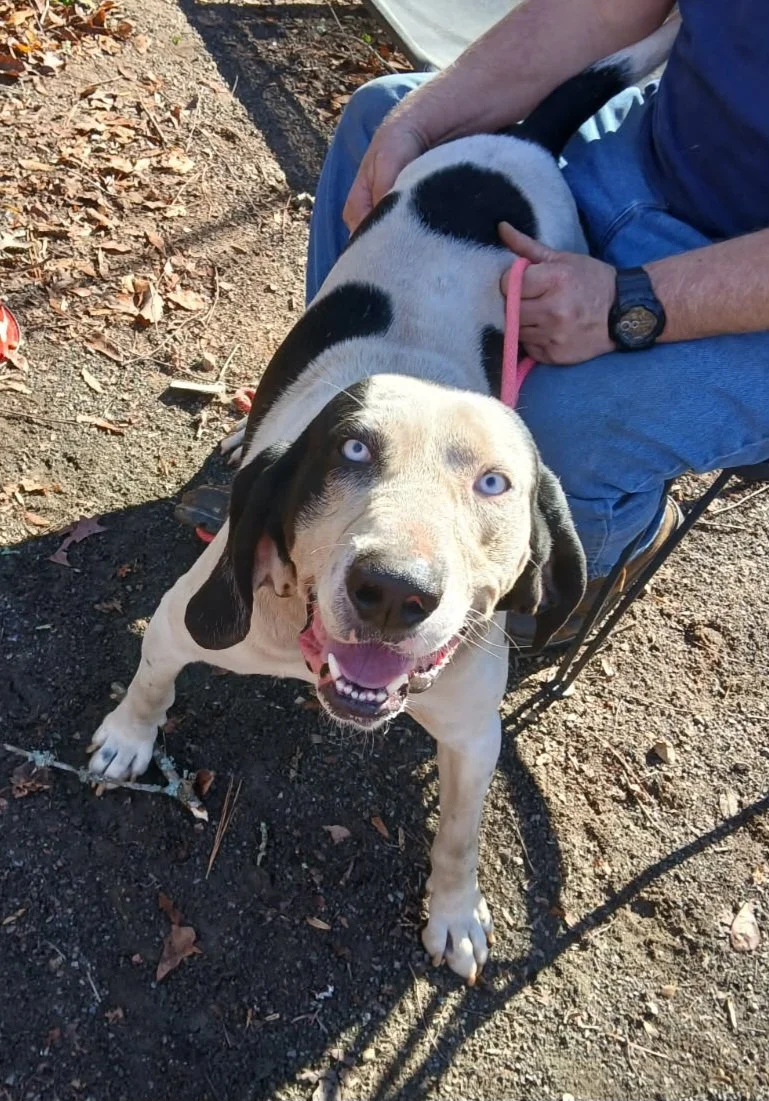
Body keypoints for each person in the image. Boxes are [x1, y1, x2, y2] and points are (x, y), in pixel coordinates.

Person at [306, 0, 769, 647]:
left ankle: (590, 559)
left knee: (554, 423)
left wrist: (634, 304)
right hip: (642, 155)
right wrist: (418, 124)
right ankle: (311, 454)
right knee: (379, 121)